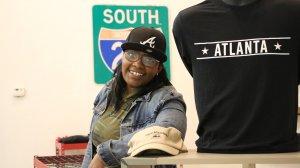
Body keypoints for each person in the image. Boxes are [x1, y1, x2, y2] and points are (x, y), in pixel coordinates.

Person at [173, 0, 300, 153]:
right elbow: (205, 75)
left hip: (281, 147)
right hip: (216, 150)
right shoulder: (188, 21)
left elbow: (290, 75)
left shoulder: (293, 13)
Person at [82, 27, 187, 168]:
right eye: (131, 54)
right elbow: (92, 146)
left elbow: (167, 134)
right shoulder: (109, 89)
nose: (137, 64)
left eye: (149, 59)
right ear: (123, 56)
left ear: (159, 68)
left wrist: (105, 154)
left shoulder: (169, 99)